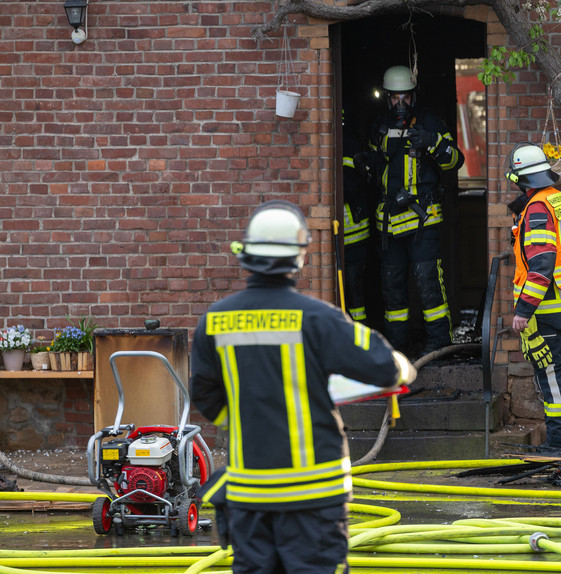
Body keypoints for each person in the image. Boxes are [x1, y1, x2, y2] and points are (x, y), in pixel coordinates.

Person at [190, 200, 416, 574]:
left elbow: (205, 396)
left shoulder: (213, 322)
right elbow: (386, 368)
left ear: (246, 254)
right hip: (314, 497)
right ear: (299, 256)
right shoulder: (318, 318)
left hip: (250, 495)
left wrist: (255, 416)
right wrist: (403, 367)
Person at [360, 64, 464, 356]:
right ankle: (397, 346)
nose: (400, 103)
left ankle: (438, 344)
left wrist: (432, 142)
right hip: (389, 223)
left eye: (405, 96)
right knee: (391, 286)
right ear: (387, 97)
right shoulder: (380, 124)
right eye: (395, 97)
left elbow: (455, 160)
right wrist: (364, 162)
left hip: (422, 220)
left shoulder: (428, 121)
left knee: (428, 281)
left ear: (413, 96)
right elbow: (376, 164)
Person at [507, 143, 561, 456]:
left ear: (521, 180)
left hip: (547, 306)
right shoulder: (559, 199)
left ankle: (559, 445)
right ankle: (559, 442)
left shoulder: (537, 209)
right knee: (554, 372)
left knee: (552, 374)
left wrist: (524, 310)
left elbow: (541, 265)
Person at [342, 128, 375, 323]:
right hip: (337, 235)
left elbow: (348, 186)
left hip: (354, 233)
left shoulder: (348, 144)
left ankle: (358, 330)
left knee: (355, 290)